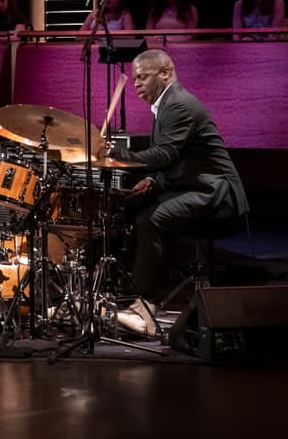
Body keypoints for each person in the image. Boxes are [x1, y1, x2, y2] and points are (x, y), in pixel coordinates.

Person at [105, 49, 248, 301]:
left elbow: (164, 155)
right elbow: (180, 157)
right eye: (135, 78)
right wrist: (151, 180)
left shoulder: (179, 104)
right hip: (193, 186)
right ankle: (120, 283)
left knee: (150, 220)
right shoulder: (166, 104)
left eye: (143, 77)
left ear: (165, 73)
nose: (136, 84)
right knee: (126, 207)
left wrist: (115, 154)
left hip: (214, 192)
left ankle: (141, 301)